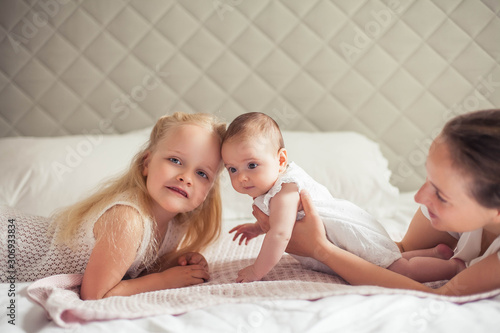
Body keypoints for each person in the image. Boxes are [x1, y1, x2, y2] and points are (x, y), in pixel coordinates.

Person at [256, 109, 500, 296]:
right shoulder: (451, 210)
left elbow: (436, 297)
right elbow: (394, 255)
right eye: (428, 179)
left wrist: (321, 249)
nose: (419, 198)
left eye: (442, 195)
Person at [0, 112, 227, 300]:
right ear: (147, 162)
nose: (186, 178)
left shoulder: (176, 224)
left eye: (202, 173)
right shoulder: (127, 219)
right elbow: (95, 295)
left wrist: (177, 262)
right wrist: (165, 280)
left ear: (209, 190)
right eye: (175, 161)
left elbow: (138, 266)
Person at [222, 112, 464, 283]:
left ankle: (453, 267)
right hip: (344, 232)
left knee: (398, 269)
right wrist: (257, 227)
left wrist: (256, 270)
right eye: (232, 169)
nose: (241, 177)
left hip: (345, 237)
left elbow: (281, 232)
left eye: (251, 165)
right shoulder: (274, 191)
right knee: (386, 258)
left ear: (281, 160)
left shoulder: (284, 190)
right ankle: (435, 254)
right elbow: (279, 221)